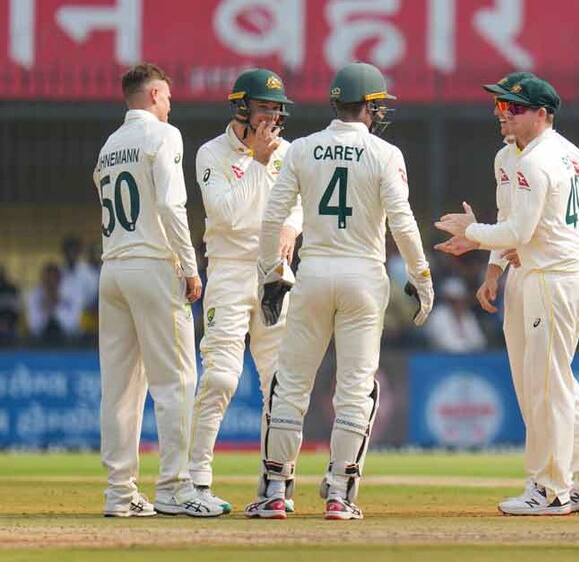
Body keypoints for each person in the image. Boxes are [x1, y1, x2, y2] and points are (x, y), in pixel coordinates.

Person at [244, 62, 434, 521]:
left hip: (313, 274)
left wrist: (272, 272)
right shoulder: (386, 154)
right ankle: (340, 493)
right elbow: (403, 223)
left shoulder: (303, 149)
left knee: (289, 385)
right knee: (354, 390)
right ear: (368, 106)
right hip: (364, 279)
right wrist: (422, 277)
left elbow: (273, 219)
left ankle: (273, 490)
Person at [438, 71, 579, 514]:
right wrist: (496, 268)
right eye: (500, 106)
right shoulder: (508, 157)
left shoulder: (545, 160)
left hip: (553, 279)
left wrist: (483, 235)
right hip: (535, 273)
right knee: (550, 383)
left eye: (513, 109)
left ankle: (551, 489)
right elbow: (516, 219)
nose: (503, 115)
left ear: (542, 114)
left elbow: (577, 221)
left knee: (547, 387)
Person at [94, 63, 219, 517]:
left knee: (120, 390)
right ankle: (174, 486)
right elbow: (170, 203)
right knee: (178, 381)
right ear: (153, 95)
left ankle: (118, 492)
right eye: (167, 97)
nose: (171, 105)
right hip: (152, 264)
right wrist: (190, 266)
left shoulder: (110, 146)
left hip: (113, 268)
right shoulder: (164, 135)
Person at [187, 68, 302, 514]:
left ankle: (275, 484)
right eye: (263, 108)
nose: (272, 116)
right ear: (241, 108)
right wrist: (255, 160)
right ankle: (197, 483)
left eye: (277, 108)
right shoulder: (210, 154)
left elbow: (300, 205)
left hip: (274, 273)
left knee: (279, 383)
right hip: (231, 272)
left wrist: (292, 228)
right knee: (220, 377)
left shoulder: (289, 153)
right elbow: (228, 214)